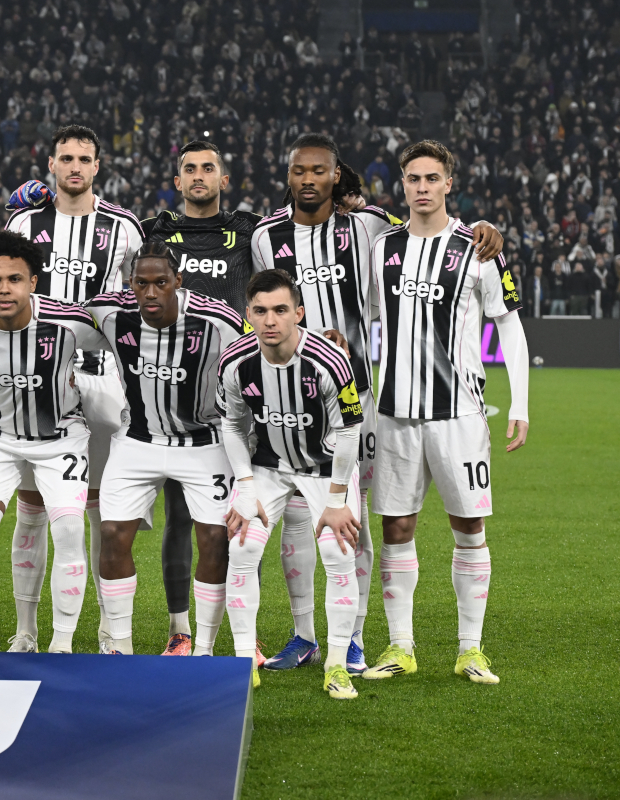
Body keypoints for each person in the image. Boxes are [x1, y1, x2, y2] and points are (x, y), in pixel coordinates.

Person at [251, 133, 503, 674]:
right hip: (291, 395)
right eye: (299, 171)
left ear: (336, 175)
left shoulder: (368, 226)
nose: (309, 179)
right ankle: (303, 634)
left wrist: (483, 229)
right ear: (289, 176)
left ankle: (356, 637)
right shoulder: (265, 236)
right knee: (296, 518)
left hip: (359, 396)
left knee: (355, 516)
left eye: (320, 170)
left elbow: (425, 231)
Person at [365, 140, 529, 685]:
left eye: (432, 178)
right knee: (396, 525)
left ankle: (470, 649)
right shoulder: (383, 247)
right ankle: (400, 646)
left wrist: (521, 404)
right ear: (402, 184)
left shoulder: (476, 247)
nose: (422, 187)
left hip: (459, 412)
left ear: (448, 183)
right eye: (413, 178)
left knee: (469, 525)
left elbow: (508, 324)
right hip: (394, 412)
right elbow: (365, 316)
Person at [2, 124, 144, 652]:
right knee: (33, 508)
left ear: (97, 166)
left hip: (103, 378)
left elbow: (140, 296)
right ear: (52, 165)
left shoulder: (123, 227)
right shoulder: (24, 222)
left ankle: (110, 632)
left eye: (84, 159)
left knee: (105, 512)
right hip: (35, 378)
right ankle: (26, 631)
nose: (75, 167)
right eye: (66, 158)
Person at [0, 230, 109, 653]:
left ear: (33, 282)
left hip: (60, 439)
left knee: (69, 528)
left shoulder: (69, 321)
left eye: (15, 279)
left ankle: (61, 646)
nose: (4, 289)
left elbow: (122, 332)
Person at [87, 240, 248, 656]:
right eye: (141, 283)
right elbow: (55, 314)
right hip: (137, 440)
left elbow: (261, 348)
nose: (151, 292)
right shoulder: (110, 313)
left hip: (203, 442)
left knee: (215, 539)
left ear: (178, 281)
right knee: (112, 533)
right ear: (131, 284)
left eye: (161, 282)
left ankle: (204, 649)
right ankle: (119, 648)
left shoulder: (217, 321)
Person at [137, 139, 261, 655]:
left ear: (223, 179)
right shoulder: (155, 232)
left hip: (236, 396)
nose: (198, 176)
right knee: (179, 517)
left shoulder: (249, 231)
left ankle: (244, 635)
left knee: (238, 517)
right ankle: (179, 629)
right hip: (173, 395)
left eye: (208, 168)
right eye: (189, 169)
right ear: (177, 180)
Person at [220, 269, 366, 699]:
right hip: (268, 466)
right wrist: (245, 488)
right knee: (241, 547)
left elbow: (349, 432)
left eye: (281, 310)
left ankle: (336, 665)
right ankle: (244, 663)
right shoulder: (235, 361)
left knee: (338, 551)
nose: (270, 320)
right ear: (248, 313)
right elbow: (231, 426)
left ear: (299, 313)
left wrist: (337, 501)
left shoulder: (329, 360)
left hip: (326, 468)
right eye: (261, 310)